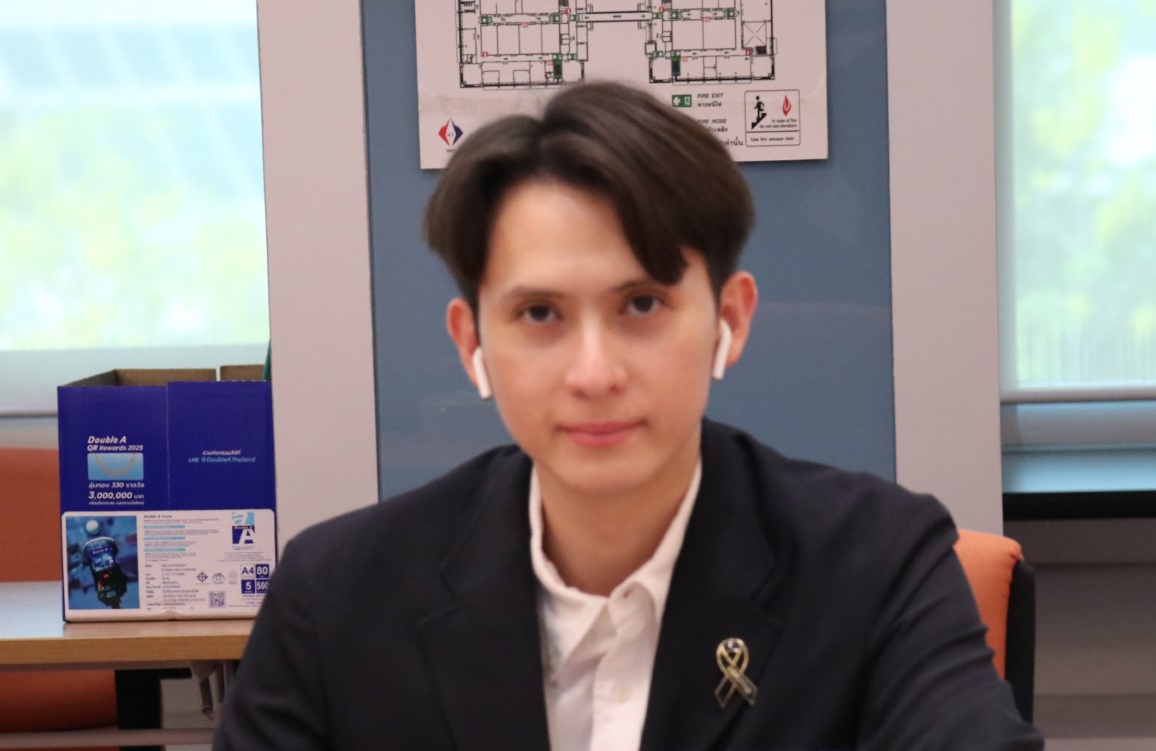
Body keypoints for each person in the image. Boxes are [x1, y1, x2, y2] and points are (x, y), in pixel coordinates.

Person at [214, 81, 1042, 750]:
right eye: (539, 314)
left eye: (642, 305)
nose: (594, 374)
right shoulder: (337, 596)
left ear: (729, 319)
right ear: (472, 343)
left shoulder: (877, 565)